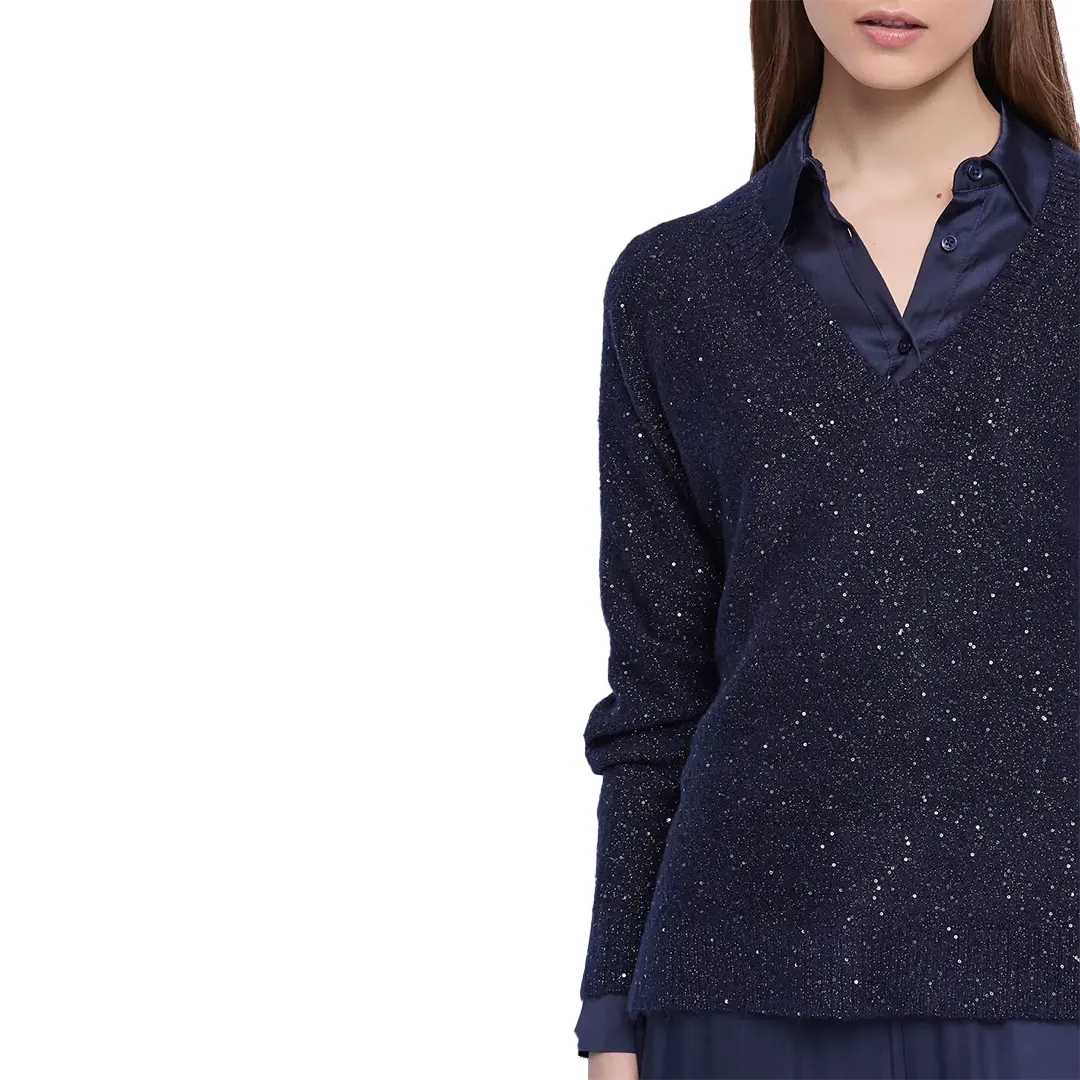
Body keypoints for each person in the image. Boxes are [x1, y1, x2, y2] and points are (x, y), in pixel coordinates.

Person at [574, 2, 1080, 1078]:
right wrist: (611, 1013)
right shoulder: (674, 287)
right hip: (728, 996)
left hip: (1049, 991)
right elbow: (656, 696)